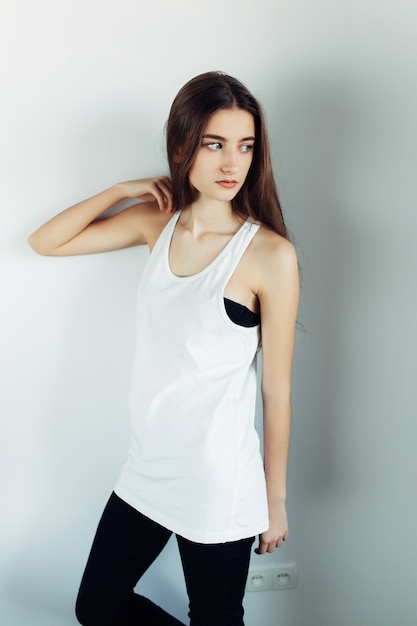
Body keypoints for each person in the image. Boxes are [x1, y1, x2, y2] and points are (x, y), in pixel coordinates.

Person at [28, 71, 300, 626]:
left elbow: (277, 390)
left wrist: (275, 504)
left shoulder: (269, 255)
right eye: (215, 144)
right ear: (182, 146)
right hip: (148, 470)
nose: (232, 164)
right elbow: (45, 242)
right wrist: (120, 190)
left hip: (219, 481)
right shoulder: (159, 224)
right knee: (97, 606)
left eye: (246, 147)